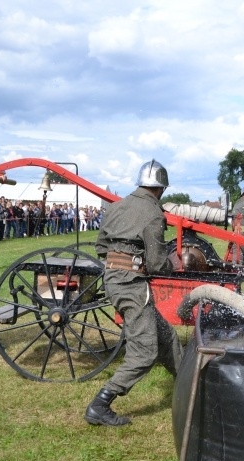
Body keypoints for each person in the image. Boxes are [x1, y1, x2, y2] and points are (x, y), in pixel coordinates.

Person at [84, 160, 182, 426]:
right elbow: (158, 263)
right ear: (161, 189)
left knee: (166, 336)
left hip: (114, 280)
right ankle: (100, 405)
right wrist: (175, 264)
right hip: (132, 285)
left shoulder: (116, 206)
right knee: (145, 352)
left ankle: (187, 385)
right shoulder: (153, 213)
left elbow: (101, 246)